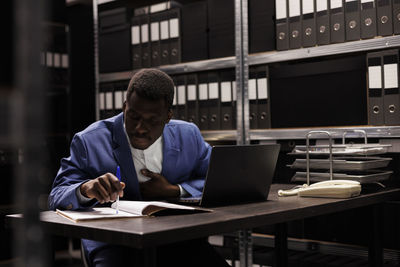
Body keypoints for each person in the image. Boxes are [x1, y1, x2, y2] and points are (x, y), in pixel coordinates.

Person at [48, 68, 230, 267]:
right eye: (133, 116)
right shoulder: (89, 141)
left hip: (175, 238)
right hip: (114, 243)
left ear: (168, 116)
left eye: (152, 120)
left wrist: (176, 190)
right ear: (125, 106)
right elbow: (56, 196)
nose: (140, 128)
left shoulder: (188, 135)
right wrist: (85, 189)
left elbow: (217, 179)